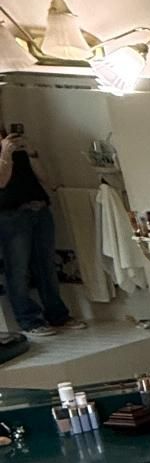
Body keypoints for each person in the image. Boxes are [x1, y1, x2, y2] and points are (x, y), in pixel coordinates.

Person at [0, 127, 78, 338]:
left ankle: (58, 315)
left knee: (46, 266)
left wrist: (31, 152)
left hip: (39, 208)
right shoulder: (5, 151)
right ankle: (29, 320)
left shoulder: (14, 146)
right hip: (10, 215)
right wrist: (5, 154)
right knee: (17, 270)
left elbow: (45, 179)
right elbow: (1, 182)